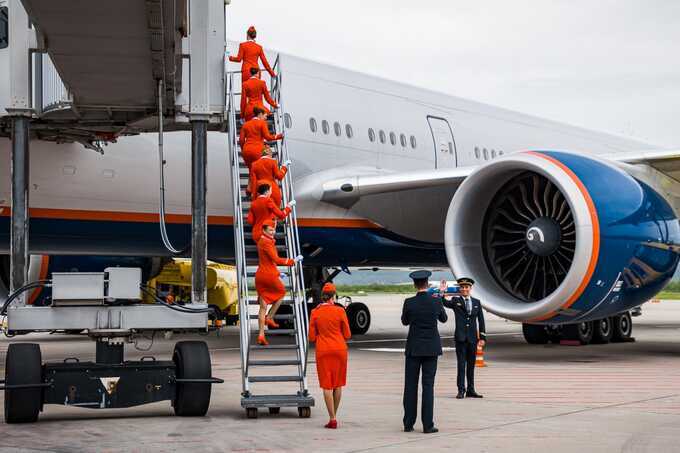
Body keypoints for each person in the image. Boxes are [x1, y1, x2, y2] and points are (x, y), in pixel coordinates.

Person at [401, 270, 448, 434]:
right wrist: (440, 298)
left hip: (414, 348)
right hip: (431, 349)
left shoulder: (409, 302)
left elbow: (404, 322)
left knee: (410, 386)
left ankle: (408, 423)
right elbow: (444, 319)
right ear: (427, 284)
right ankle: (428, 425)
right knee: (428, 387)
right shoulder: (435, 302)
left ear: (415, 284)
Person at [308, 282, 351, 429]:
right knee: (337, 385)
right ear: (333, 296)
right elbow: (347, 334)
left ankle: (332, 418)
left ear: (322, 297)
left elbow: (312, 337)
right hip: (339, 350)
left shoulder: (315, 312)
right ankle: (334, 416)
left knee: (327, 385)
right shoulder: (340, 311)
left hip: (323, 350)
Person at [254, 221, 302, 345]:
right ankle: (270, 317)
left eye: (273, 230)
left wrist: (277, 272)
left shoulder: (261, 241)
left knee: (263, 306)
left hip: (260, 275)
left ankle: (261, 335)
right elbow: (276, 259)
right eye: (270, 230)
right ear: (264, 230)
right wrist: (292, 261)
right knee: (281, 293)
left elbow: (268, 261)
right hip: (269, 276)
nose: (273, 232)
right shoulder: (268, 242)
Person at [442, 277, 486, 399]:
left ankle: (471, 389)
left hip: (472, 339)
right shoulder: (456, 301)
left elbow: (481, 321)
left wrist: (482, 337)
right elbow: (444, 302)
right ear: (460, 289)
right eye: (462, 287)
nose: (464, 289)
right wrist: (443, 292)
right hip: (461, 338)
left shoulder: (476, 302)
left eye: (466, 287)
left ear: (470, 288)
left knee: (471, 366)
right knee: (461, 365)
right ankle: (461, 390)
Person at [239, 107, 283, 171]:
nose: (266, 118)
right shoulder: (262, 123)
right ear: (260, 114)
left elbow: (241, 140)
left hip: (246, 151)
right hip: (257, 151)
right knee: (260, 173)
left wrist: (244, 150)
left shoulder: (245, 124)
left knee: (252, 172)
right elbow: (268, 137)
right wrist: (279, 136)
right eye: (265, 116)